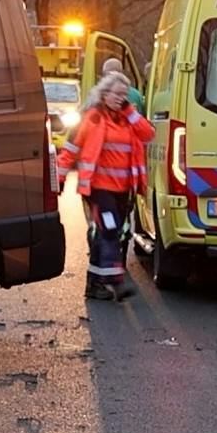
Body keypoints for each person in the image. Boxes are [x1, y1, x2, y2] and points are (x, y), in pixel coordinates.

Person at [57, 74, 155, 300]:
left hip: (123, 191)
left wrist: (130, 112)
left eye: (125, 95)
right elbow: (71, 148)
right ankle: (115, 282)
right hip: (99, 190)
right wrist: (59, 178)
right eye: (117, 94)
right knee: (110, 231)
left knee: (109, 234)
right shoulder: (93, 118)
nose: (121, 99)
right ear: (104, 93)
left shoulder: (127, 119)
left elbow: (148, 134)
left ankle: (94, 284)